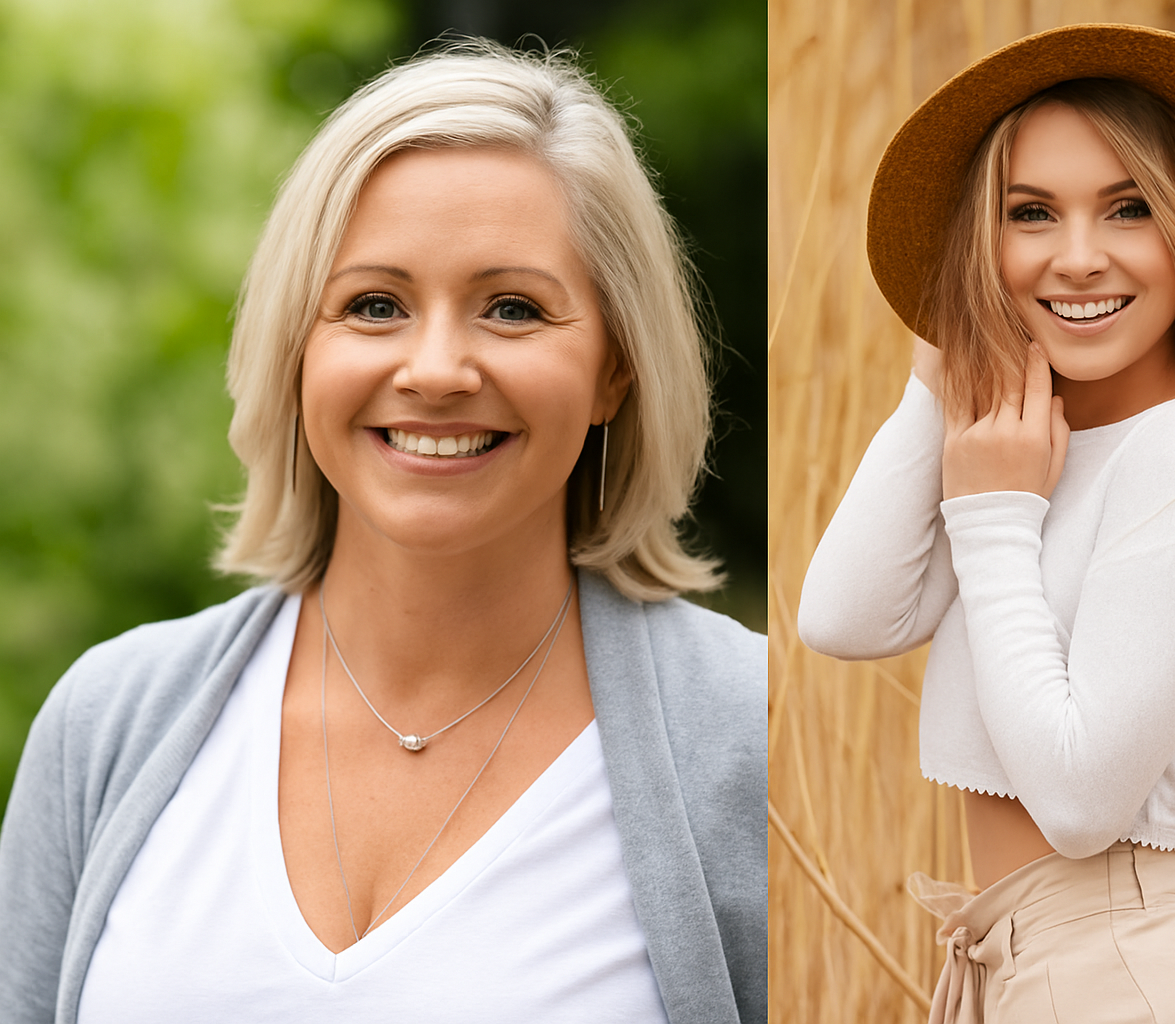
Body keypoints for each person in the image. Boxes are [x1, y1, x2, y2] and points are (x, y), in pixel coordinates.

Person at [0, 41, 765, 1024]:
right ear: (296, 350)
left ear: (616, 367)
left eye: (512, 307)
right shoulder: (107, 724)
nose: (437, 367)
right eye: (374, 305)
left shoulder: (756, 738)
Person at [798, 23, 1175, 1023]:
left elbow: (1081, 806)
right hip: (1026, 972)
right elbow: (843, 617)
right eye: (1031, 214)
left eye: (1129, 209)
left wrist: (995, 518)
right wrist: (955, 355)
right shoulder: (1037, 444)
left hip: (1122, 979)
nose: (1077, 259)